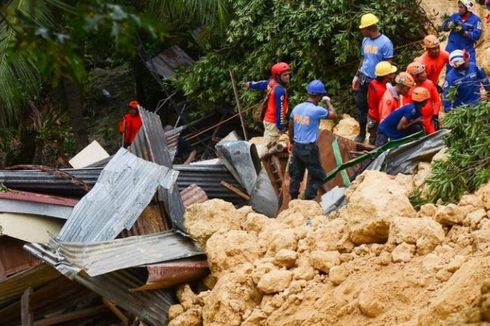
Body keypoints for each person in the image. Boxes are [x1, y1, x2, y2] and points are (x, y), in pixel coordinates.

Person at [288, 80, 337, 200]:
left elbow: (290, 125)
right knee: (319, 176)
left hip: (297, 146)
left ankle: (293, 198)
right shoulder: (316, 110)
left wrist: (291, 142)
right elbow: (334, 115)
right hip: (309, 148)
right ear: (320, 96)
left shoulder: (297, 108)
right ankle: (308, 198)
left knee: (296, 175)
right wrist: (327, 102)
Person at [352, 13, 394, 143]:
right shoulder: (365, 40)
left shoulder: (385, 43)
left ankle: (374, 135)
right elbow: (363, 59)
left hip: (376, 81)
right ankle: (361, 133)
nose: (361, 31)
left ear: (369, 28)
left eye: (363, 28)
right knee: (361, 106)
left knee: (374, 109)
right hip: (364, 78)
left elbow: (388, 63)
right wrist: (356, 76)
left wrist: (385, 81)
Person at [246, 62, 291, 145]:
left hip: (268, 119)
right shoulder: (280, 90)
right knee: (268, 147)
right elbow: (279, 110)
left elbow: (261, 84)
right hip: (273, 122)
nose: (288, 77)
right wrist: (280, 126)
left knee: (267, 141)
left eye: (288, 74)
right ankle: (260, 157)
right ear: (278, 76)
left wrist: (250, 84)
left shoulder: (272, 82)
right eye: (285, 75)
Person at [406, 62, 442, 134]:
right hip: (417, 120)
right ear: (414, 76)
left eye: (424, 72)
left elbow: (437, 101)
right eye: (422, 73)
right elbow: (408, 106)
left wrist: (435, 115)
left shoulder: (430, 84)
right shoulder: (408, 89)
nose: (425, 74)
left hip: (431, 118)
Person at [367, 61, 397, 144]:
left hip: (372, 115)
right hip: (377, 118)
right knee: (377, 141)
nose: (393, 75)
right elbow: (385, 109)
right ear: (387, 76)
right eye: (391, 73)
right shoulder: (383, 91)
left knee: (373, 137)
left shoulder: (373, 83)